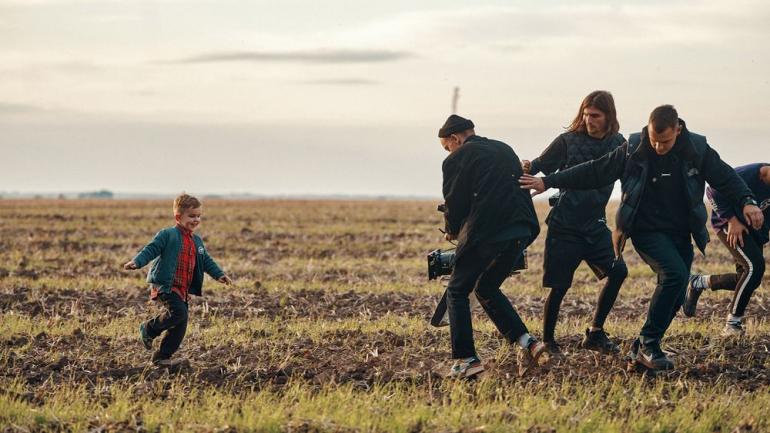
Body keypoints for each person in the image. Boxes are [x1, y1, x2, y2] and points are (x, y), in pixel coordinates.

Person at [519, 105, 762, 371]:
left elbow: (725, 177)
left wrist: (747, 200)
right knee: (674, 275)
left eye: (665, 141)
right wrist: (548, 181)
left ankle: (640, 350)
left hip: (680, 231)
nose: (658, 147)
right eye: (654, 140)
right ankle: (649, 343)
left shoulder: (697, 148)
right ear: (648, 129)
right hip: (645, 229)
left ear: (678, 130)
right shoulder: (634, 149)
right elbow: (594, 170)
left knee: (678, 293)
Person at [438, 114, 545, 378]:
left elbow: (455, 200)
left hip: (486, 232)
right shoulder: (504, 148)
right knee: (485, 287)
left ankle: (466, 359)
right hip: (521, 230)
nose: (448, 151)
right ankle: (528, 343)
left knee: (457, 291)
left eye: (446, 146)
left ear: (454, 138)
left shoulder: (457, 157)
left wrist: (452, 230)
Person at [521, 90, 628, 356]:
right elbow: (538, 166)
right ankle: (548, 342)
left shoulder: (619, 144)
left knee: (618, 272)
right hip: (564, 226)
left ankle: (595, 334)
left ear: (608, 116)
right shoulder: (567, 141)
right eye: (586, 114)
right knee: (559, 287)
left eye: (595, 115)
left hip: (595, 226)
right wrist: (523, 168)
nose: (589, 120)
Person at [124, 193, 232, 365]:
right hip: (166, 286)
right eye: (191, 216)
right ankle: (149, 329)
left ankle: (161, 357)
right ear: (178, 217)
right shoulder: (167, 235)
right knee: (178, 313)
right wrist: (137, 261)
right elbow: (151, 250)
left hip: (182, 289)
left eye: (198, 216)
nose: (196, 219)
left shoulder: (196, 241)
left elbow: (205, 261)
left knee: (180, 325)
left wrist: (219, 274)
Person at [684, 163, 770, 336]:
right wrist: (731, 220)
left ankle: (698, 282)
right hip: (730, 225)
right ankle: (733, 325)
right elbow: (711, 191)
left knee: (749, 278)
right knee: (755, 268)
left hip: (754, 228)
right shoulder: (746, 174)